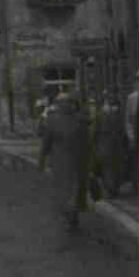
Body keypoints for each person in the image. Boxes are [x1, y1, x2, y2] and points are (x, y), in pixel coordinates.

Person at [39, 92, 90, 231]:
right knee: (67, 190)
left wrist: (42, 160)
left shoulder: (78, 120)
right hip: (65, 162)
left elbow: (87, 142)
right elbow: (46, 142)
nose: (65, 105)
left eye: (67, 103)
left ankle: (72, 214)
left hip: (72, 161)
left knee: (71, 189)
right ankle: (71, 214)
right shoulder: (55, 120)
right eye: (62, 103)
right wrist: (42, 159)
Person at [125, 70, 139, 195]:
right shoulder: (133, 98)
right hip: (137, 135)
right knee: (136, 161)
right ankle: (137, 185)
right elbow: (128, 119)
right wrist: (131, 137)